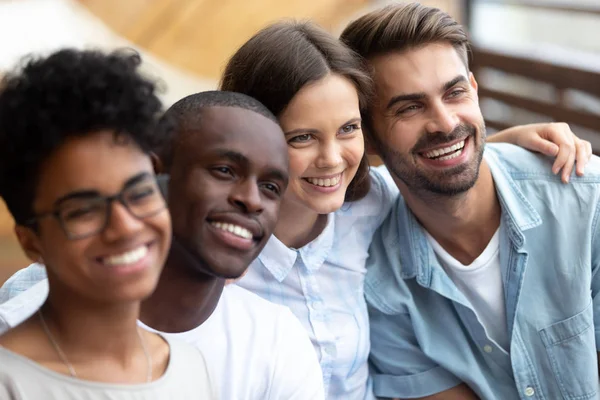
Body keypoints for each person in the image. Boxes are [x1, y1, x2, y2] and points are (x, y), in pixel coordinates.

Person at [218, 20, 593, 399]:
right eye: (302, 137)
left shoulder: (366, 204)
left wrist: (498, 146)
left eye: (348, 129)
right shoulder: (215, 252)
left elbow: (436, 162)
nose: (332, 160)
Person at [339, 3, 600, 399]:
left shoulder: (586, 202)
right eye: (409, 107)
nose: (445, 123)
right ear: (368, 137)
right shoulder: (379, 279)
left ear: (474, 92)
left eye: (455, 93)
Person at [0, 90, 325, 399]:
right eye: (224, 170)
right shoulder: (15, 337)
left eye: (270, 187)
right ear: (153, 175)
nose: (251, 200)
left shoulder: (271, 342)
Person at [0, 49, 214, 398]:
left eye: (140, 193)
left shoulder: (191, 370)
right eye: (83, 210)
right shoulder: (10, 384)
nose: (126, 226)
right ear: (31, 242)